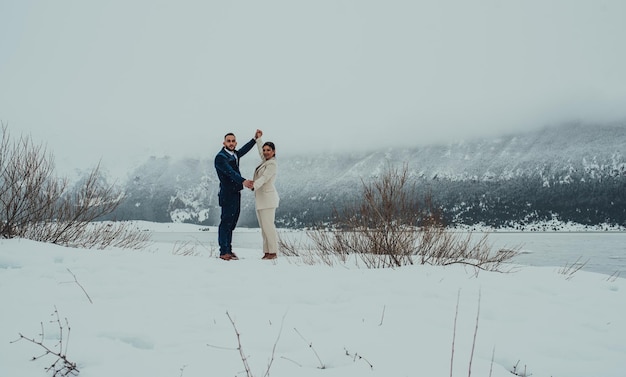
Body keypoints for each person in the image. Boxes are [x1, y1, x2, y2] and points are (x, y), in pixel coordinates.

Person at [214, 130, 258, 260]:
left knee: (232, 223)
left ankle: (229, 249)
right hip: (227, 194)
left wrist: (254, 139)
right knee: (225, 222)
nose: (231, 143)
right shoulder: (221, 157)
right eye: (229, 141)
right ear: (224, 143)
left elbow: (244, 150)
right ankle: (223, 252)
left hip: (236, 193)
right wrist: (243, 181)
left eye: (233, 141)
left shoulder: (234, 154)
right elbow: (230, 172)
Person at [250, 130, 280, 260]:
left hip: (268, 200)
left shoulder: (272, 164)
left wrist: (253, 185)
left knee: (269, 227)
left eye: (268, 150)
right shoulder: (265, 161)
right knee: (264, 228)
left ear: (273, 151)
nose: (266, 152)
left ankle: (273, 252)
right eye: (264, 150)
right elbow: (260, 152)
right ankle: (267, 252)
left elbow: (264, 178)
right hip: (260, 200)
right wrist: (258, 139)